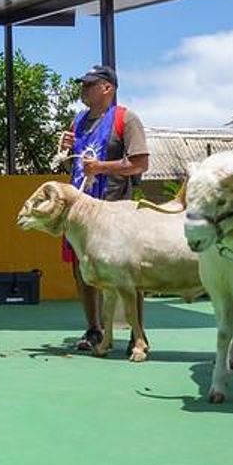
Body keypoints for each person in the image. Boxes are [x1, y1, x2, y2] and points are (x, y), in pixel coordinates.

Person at [58, 64, 150, 352]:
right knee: (82, 269)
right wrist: (64, 150)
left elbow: (140, 163)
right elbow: (74, 165)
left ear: (107, 88)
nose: (83, 89)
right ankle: (94, 328)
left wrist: (101, 167)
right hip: (81, 210)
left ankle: (137, 333)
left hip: (114, 210)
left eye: (89, 84)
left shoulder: (126, 119)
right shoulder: (79, 121)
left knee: (128, 273)